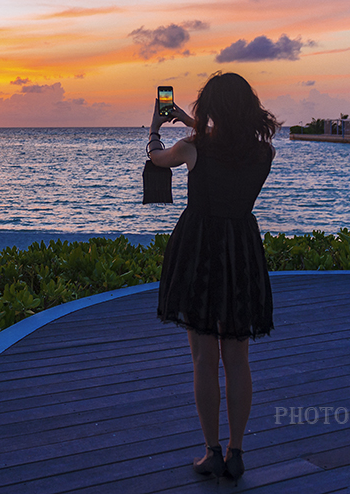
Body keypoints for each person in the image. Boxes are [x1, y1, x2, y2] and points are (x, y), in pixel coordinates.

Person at [146, 72, 279, 482]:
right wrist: (192, 123)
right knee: (238, 360)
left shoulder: (192, 148)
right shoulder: (264, 153)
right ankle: (236, 453)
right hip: (241, 250)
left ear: (211, 108)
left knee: (205, 359)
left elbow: (158, 158)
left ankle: (212, 452)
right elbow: (227, 147)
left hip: (200, 250)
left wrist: (155, 128)